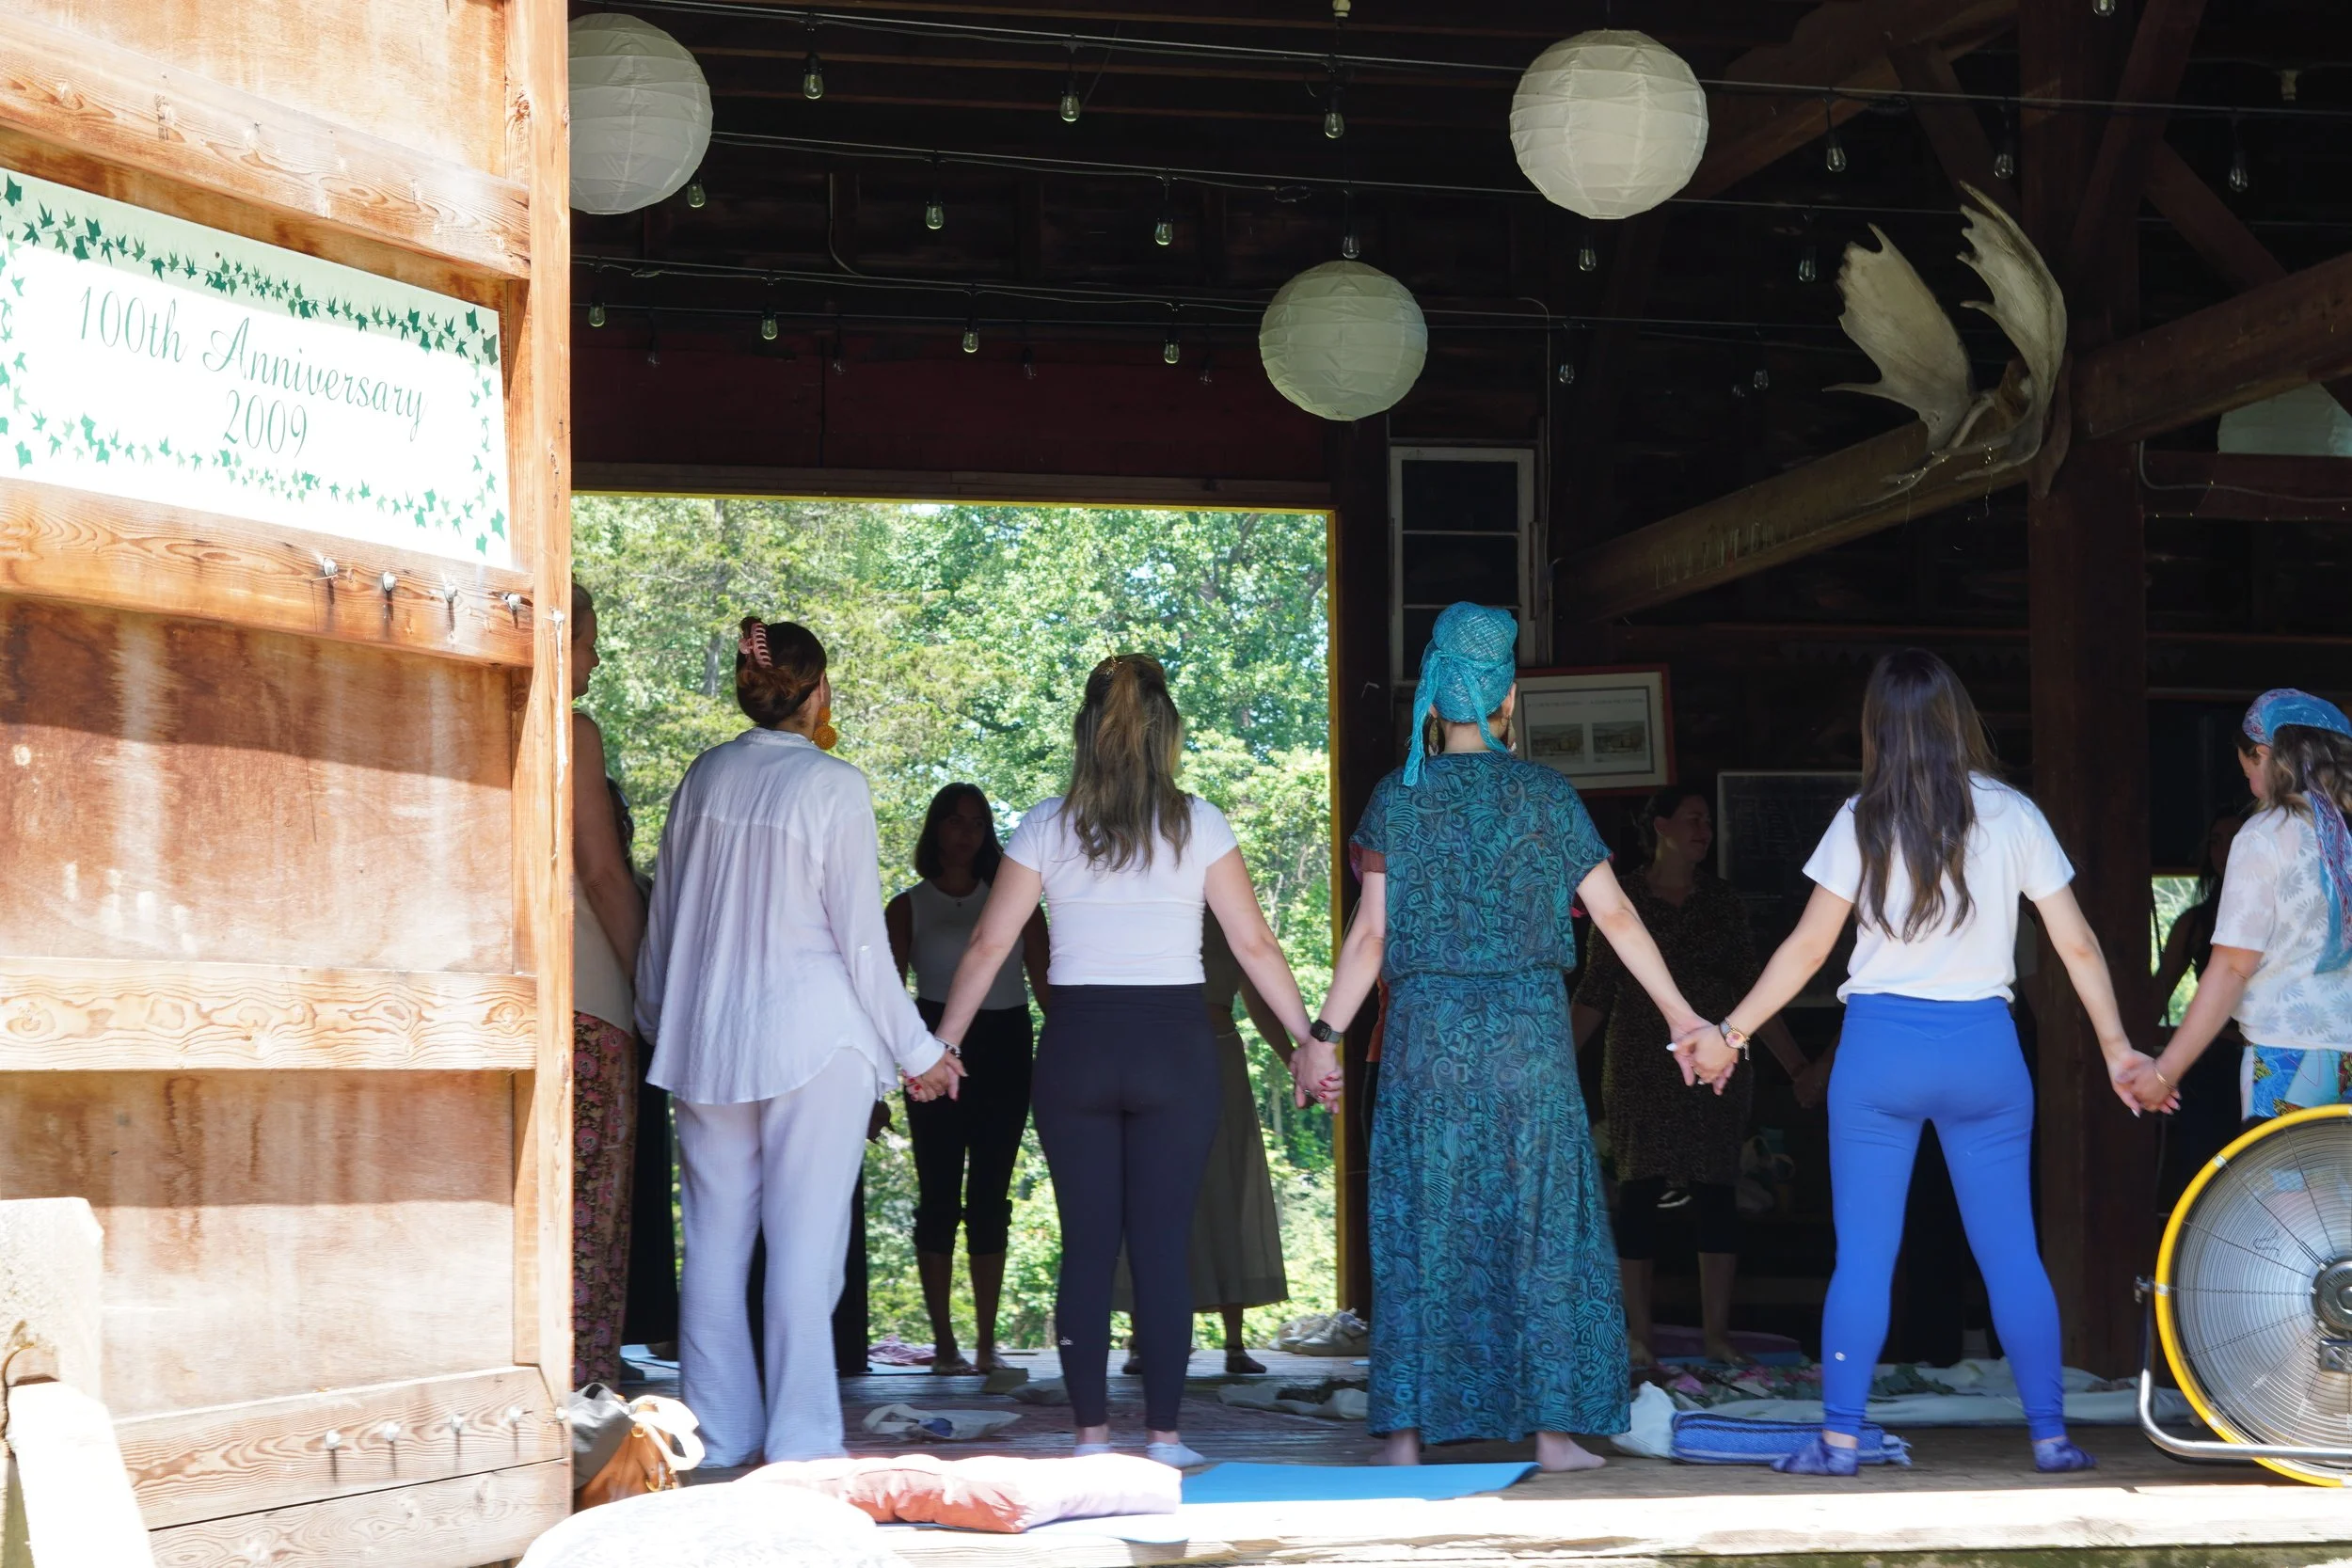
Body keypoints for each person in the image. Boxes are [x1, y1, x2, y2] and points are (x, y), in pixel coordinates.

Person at [1693, 648, 2153, 1477]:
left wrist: (1729, 1032)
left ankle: (1838, 1437)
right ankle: (2050, 1434)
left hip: (1879, 1054)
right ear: (1958, 720)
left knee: (1865, 1255)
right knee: (2011, 1250)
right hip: (1985, 1051)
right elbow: (2075, 943)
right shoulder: (2013, 814)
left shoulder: (1860, 818)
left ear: (1878, 729)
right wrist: (2118, 1047)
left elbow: (1805, 950)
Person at [1312, 602, 1731, 1474]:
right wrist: (1685, 1017)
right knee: (1542, 1231)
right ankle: (1551, 1433)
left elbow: (1369, 936)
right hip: (1528, 1045)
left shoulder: (1401, 798)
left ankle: (1403, 1434)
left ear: (1436, 693)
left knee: (1423, 1226)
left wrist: (1323, 1034)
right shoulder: (1545, 795)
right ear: (1506, 698)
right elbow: (1614, 915)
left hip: (1427, 1046)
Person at [933, 654, 1338, 1470]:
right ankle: (1164, 1439)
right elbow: (1254, 944)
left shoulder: (1047, 823)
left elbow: (989, 943)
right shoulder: (1201, 823)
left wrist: (939, 1045)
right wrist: (1308, 1040)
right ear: (1168, 733)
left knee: (1088, 1243)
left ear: (1085, 732)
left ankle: (1089, 1441)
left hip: (1078, 1048)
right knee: (1160, 1244)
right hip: (1173, 1048)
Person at [637, 616, 962, 1467]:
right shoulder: (832, 784)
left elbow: (665, 922)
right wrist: (920, 1050)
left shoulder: (702, 776)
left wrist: (656, 1019)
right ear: (816, 692)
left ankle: (717, 1435)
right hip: (813, 1038)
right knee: (802, 1244)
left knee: (713, 1245)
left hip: (705, 1036)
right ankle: (803, 1441)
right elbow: (859, 940)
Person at [1572, 784, 1821, 1369]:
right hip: (1637, 1063)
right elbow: (1594, 992)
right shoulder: (1624, 897)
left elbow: (1756, 990)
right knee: (1638, 1192)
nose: (1703, 829)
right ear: (1659, 827)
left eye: (1707, 819)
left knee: (1716, 1191)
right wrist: (1550, 1067)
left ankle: (1716, 1334)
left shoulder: (1722, 902)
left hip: (1716, 1062)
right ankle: (1639, 1336)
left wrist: (1797, 1068)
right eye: (1691, 818)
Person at [884, 784, 1052, 1375]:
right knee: (936, 1193)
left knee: (989, 1196)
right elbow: (887, 996)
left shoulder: (1013, 900)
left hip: (1005, 1044)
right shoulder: (907, 906)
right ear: (935, 829)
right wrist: (885, 1078)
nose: (967, 833)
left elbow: (1048, 986)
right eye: (955, 822)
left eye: (978, 823)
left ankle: (985, 1343)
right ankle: (945, 1346)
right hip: (929, 1042)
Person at [2134, 690, 2352, 1123]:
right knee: (2339, 1192)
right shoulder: (2346, 835)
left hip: (2288, 1050)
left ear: (2267, 755)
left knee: (2288, 1189)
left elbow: (2234, 967)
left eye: (2248, 770)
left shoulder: (2264, 835)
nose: (2251, 786)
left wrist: (2165, 1072)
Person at [1115, 911, 1295, 1375]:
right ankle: (1143, 1337)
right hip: (1153, 1055)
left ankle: (1234, 1343)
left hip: (1217, 1057)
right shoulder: (1144, 904)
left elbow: (1259, 997)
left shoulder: (1231, 915)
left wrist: (1298, 1058)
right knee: (1152, 1189)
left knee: (1226, 1184)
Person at [570, 582, 647, 1390]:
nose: (596, 657)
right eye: (592, 639)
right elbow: (600, 869)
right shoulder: (572, 730)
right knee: (588, 1213)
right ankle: (584, 1395)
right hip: (587, 998)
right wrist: (650, 981)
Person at [2148, 809, 2249, 1186]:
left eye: (2234, 840)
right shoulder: (2195, 923)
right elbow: (2156, 996)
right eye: (2216, 842)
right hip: (2214, 1062)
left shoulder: (2279, 912)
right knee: (2205, 1173)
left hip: (2265, 1056)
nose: (2223, 851)